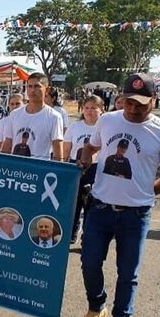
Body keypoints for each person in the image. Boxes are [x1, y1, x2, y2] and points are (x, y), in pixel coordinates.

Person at [76, 73, 160, 317]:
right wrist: (86, 158)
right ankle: (97, 307)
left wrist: (147, 192)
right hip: (99, 208)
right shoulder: (107, 120)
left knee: (128, 272)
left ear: (154, 100)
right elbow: (91, 147)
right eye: (129, 102)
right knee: (89, 262)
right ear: (121, 98)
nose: (133, 109)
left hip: (136, 215)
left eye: (141, 104)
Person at [63, 95, 103, 243]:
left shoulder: (105, 127)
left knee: (91, 205)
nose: (89, 111)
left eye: (94, 108)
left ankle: (88, 237)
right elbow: (66, 149)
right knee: (73, 203)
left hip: (96, 168)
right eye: (86, 108)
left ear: (101, 109)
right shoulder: (75, 126)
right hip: (75, 166)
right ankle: (71, 233)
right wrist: (65, 167)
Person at [1, 73, 64, 161]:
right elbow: (8, 143)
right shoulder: (14, 114)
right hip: (15, 169)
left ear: (46, 90)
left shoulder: (54, 117)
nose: (32, 90)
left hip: (40, 170)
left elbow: (58, 150)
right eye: (29, 86)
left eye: (37, 86)